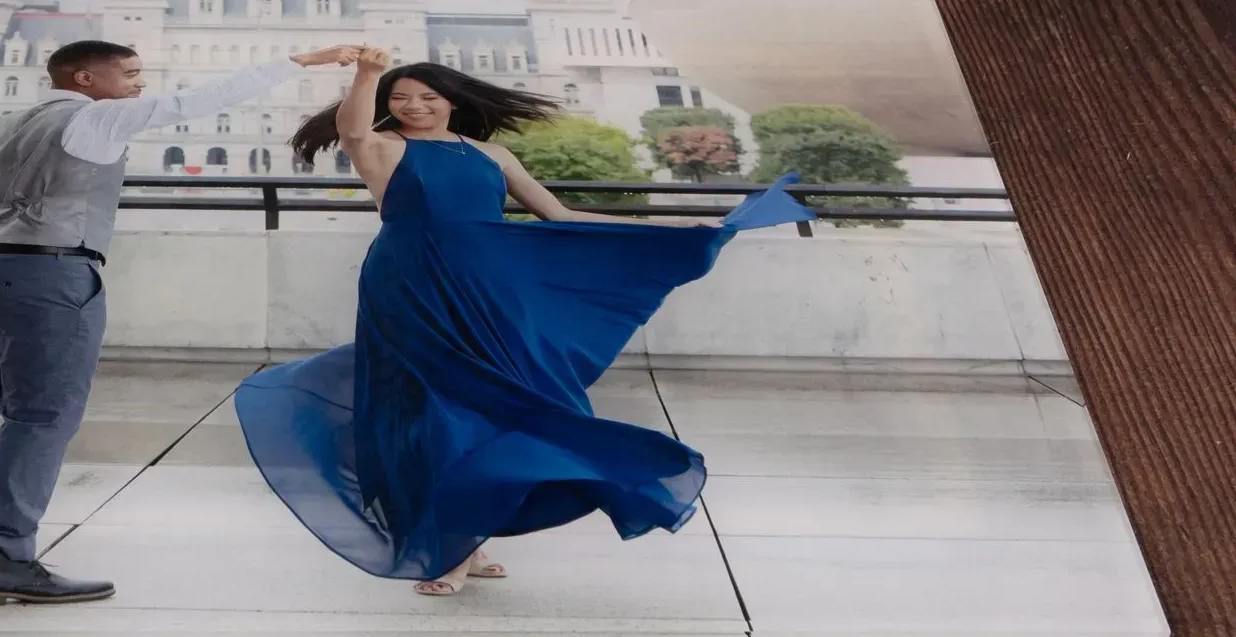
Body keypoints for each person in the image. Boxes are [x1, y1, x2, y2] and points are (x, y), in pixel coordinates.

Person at [234, 48, 816, 595]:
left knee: (492, 402)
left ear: (452, 100)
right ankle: (453, 543)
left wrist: (667, 231)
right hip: (410, 286)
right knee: (427, 409)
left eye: (428, 97)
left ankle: (467, 533)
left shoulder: (492, 156)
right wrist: (366, 74)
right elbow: (352, 130)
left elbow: (559, 213)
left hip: (489, 290)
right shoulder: (383, 146)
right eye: (401, 97)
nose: (414, 106)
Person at [0, 38, 362, 605]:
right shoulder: (95, 119)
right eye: (130, 73)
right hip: (50, 272)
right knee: (43, 414)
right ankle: (3, 557)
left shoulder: (4, 127)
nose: (140, 84)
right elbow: (196, 101)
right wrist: (300, 62)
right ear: (86, 79)